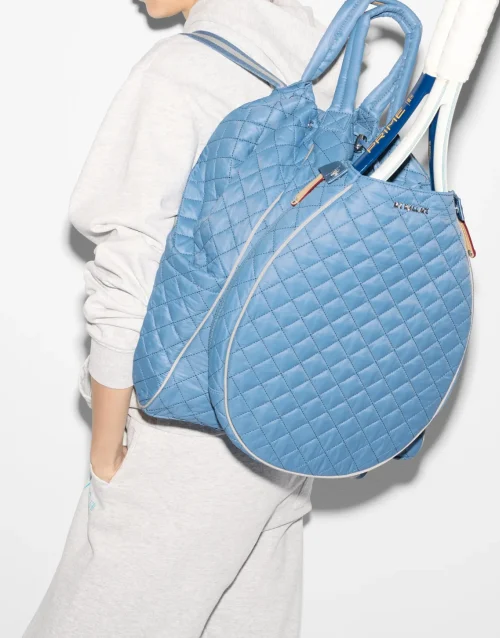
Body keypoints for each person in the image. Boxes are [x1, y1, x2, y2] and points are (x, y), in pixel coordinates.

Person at [23, 0, 342, 635]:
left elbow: (131, 262)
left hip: (184, 426)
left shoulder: (181, 71)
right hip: (289, 427)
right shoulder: (335, 77)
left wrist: (105, 447)